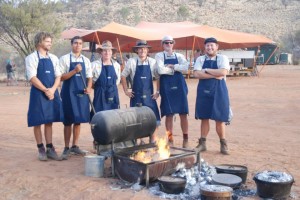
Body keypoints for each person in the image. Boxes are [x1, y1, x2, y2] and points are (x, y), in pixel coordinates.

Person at [25, 32, 63, 161]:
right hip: (38, 93)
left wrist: (52, 89)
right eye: (47, 41)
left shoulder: (54, 58)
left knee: (49, 121)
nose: (50, 43)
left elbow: (58, 76)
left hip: (52, 92)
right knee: (37, 121)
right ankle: (40, 148)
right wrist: (45, 90)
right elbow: (32, 77)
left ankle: (50, 148)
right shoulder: (31, 58)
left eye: (50, 41)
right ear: (40, 42)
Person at [193, 37, 231, 155]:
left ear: (217, 47)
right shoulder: (200, 59)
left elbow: (223, 72)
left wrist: (206, 70)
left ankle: (223, 144)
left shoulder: (222, 58)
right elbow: (196, 74)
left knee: (220, 118)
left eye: (212, 45)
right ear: (205, 48)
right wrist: (214, 75)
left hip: (219, 91)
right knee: (204, 117)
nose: (209, 47)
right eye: (207, 45)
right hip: (204, 91)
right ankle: (202, 143)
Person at [59, 36, 92, 160]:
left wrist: (88, 88)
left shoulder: (86, 60)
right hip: (68, 93)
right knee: (68, 121)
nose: (78, 45)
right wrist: (74, 71)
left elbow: (89, 77)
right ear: (71, 44)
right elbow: (61, 77)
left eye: (80, 43)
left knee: (78, 120)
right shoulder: (64, 59)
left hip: (81, 93)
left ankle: (75, 146)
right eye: (75, 43)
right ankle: (66, 147)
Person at [121, 40, 160, 143]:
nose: (142, 50)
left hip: (149, 97)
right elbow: (123, 75)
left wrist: (158, 92)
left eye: (144, 48)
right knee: (137, 121)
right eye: (140, 48)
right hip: (136, 97)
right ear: (137, 50)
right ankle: (140, 142)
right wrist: (126, 90)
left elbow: (158, 77)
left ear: (147, 50)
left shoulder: (152, 62)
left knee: (154, 120)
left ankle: (153, 141)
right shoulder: (132, 62)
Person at [155, 35, 189, 148]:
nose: (168, 44)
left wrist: (172, 66)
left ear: (173, 44)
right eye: (166, 43)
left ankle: (186, 139)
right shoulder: (159, 55)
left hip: (179, 88)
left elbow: (186, 67)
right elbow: (160, 70)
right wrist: (176, 68)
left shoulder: (179, 55)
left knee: (183, 113)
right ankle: (170, 140)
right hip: (166, 88)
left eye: (170, 42)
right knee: (169, 114)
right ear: (162, 44)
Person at [91, 40, 121, 115]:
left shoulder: (117, 65)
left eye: (109, 50)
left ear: (112, 52)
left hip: (113, 94)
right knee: (98, 119)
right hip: (99, 95)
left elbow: (117, 82)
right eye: (104, 50)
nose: (107, 53)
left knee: (114, 118)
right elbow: (89, 81)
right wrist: (98, 88)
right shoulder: (94, 65)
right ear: (101, 52)